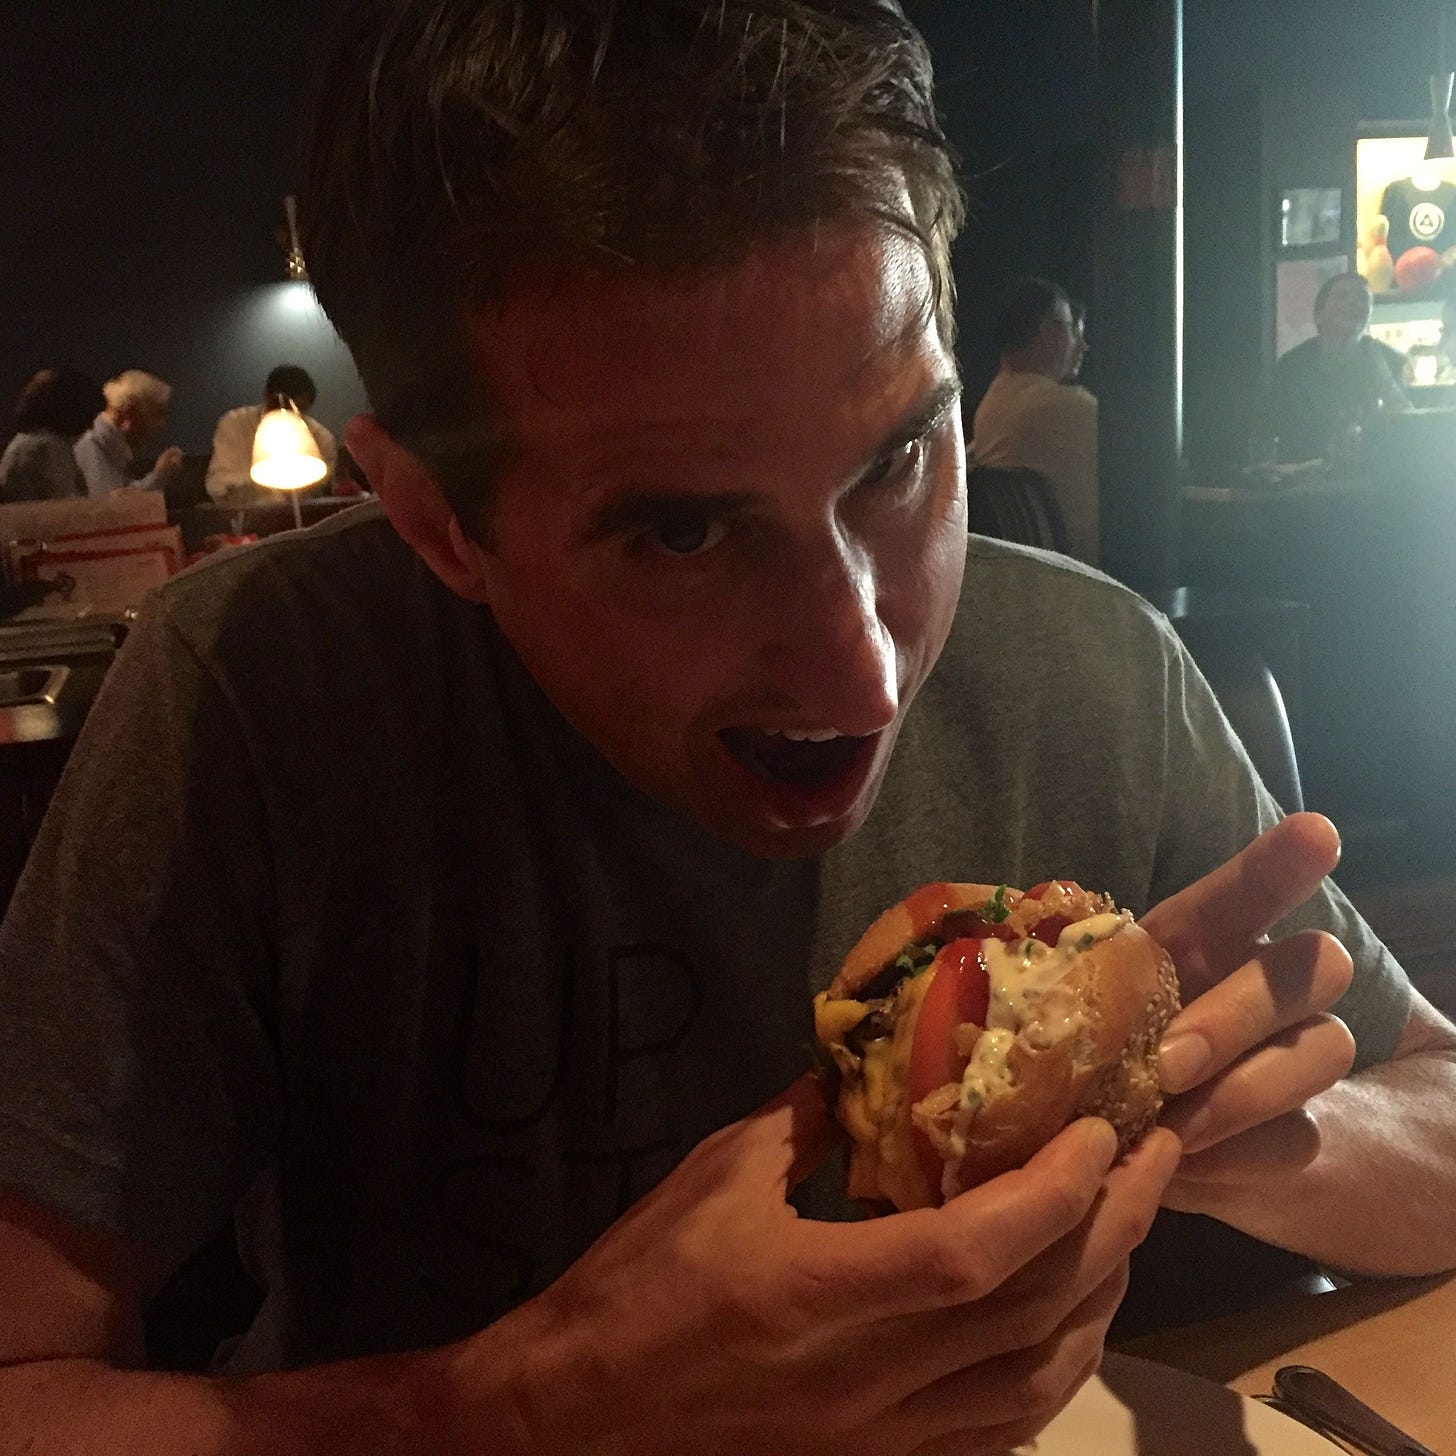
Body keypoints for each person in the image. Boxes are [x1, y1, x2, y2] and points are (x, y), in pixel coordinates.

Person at [0, 4, 1453, 1452]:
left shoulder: (1090, 668)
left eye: (897, 457)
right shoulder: (253, 692)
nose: (864, 674)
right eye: (684, 533)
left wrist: (1214, 1128)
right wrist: (528, 1406)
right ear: (437, 520)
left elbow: (1438, 1114)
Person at [971, 276, 1099, 563]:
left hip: (1031, 569)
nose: (1082, 346)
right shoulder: (1066, 406)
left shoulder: (990, 406)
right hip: (1094, 571)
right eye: (1071, 329)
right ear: (1048, 330)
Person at [1271, 271, 1412, 462]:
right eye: (1342, 296)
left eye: (1362, 298)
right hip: (1308, 474)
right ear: (1319, 314)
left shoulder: (1391, 361)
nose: (1353, 303)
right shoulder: (1292, 367)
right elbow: (1282, 435)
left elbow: (1409, 427)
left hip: (1375, 472)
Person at [205, 364, 339, 503]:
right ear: (266, 397)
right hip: (242, 513)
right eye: (281, 408)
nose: (287, 417)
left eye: (298, 410)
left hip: (301, 514)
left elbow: (318, 492)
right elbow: (219, 484)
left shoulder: (321, 438)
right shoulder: (235, 424)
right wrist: (272, 488)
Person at [72, 368, 185, 498]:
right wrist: (159, 476)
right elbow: (109, 505)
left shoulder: (107, 445)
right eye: (156, 414)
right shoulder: (91, 444)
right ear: (129, 413)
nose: (162, 424)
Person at [0, 367, 103, 502]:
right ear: (70, 411)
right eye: (88, 416)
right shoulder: (46, 448)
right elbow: (66, 506)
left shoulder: (30, 442)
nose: (90, 426)